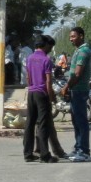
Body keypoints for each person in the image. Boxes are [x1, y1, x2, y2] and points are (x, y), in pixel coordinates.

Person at [22, 34, 59, 163]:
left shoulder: (30, 58)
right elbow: (48, 82)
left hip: (31, 92)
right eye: (50, 47)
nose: (50, 49)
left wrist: (31, 88)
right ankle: (45, 155)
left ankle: (28, 153)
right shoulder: (46, 60)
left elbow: (28, 77)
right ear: (45, 45)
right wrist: (51, 97)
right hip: (42, 93)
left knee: (29, 123)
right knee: (43, 124)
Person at [60, 27, 91, 162]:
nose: (71, 39)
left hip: (79, 90)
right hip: (75, 89)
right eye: (70, 37)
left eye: (73, 36)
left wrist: (66, 86)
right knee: (76, 121)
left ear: (81, 36)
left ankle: (84, 151)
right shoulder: (78, 50)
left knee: (81, 121)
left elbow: (77, 74)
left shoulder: (84, 51)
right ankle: (78, 147)